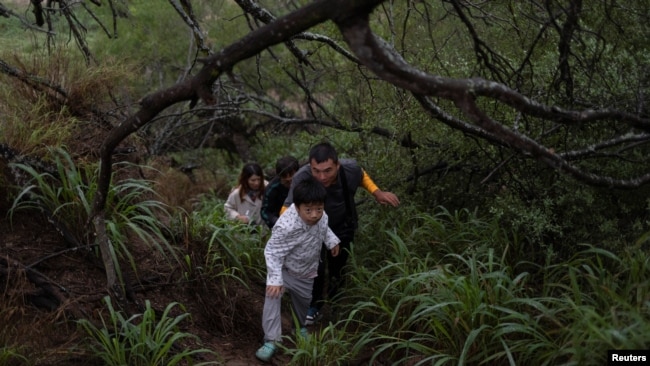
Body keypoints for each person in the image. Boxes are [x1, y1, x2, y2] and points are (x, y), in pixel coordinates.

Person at [282, 142, 400, 325]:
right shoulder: (302, 177)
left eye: (328, 171)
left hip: (342, 226)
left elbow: (362, 175)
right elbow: (288, 206)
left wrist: (377, 193)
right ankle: (314, 306)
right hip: (312, 230)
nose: (322, 177)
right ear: (310, 167)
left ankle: (336, 305)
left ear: (337, 165)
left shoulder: (350, 169)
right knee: (316, 268)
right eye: (316, 171)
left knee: (338, 268)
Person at [255, 176, 340, 362]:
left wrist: (332, 241)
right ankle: (271, 340)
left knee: (303, 304)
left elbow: (324, 228)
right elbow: (272, 252)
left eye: (319, 208)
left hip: (306, 272)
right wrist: (276, 279)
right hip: (284, 271)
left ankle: (299, 327)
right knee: (272, 297)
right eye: (308, 210)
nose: (314, 215)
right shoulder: (286, 226)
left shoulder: (321, 215)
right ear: (297, 206)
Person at [261, 156, 300, 229]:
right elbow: (265, 212)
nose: (289, 179)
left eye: (291, 175)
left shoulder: (305, 180)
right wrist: (276, 221)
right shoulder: (272, 188)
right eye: (284, 177)